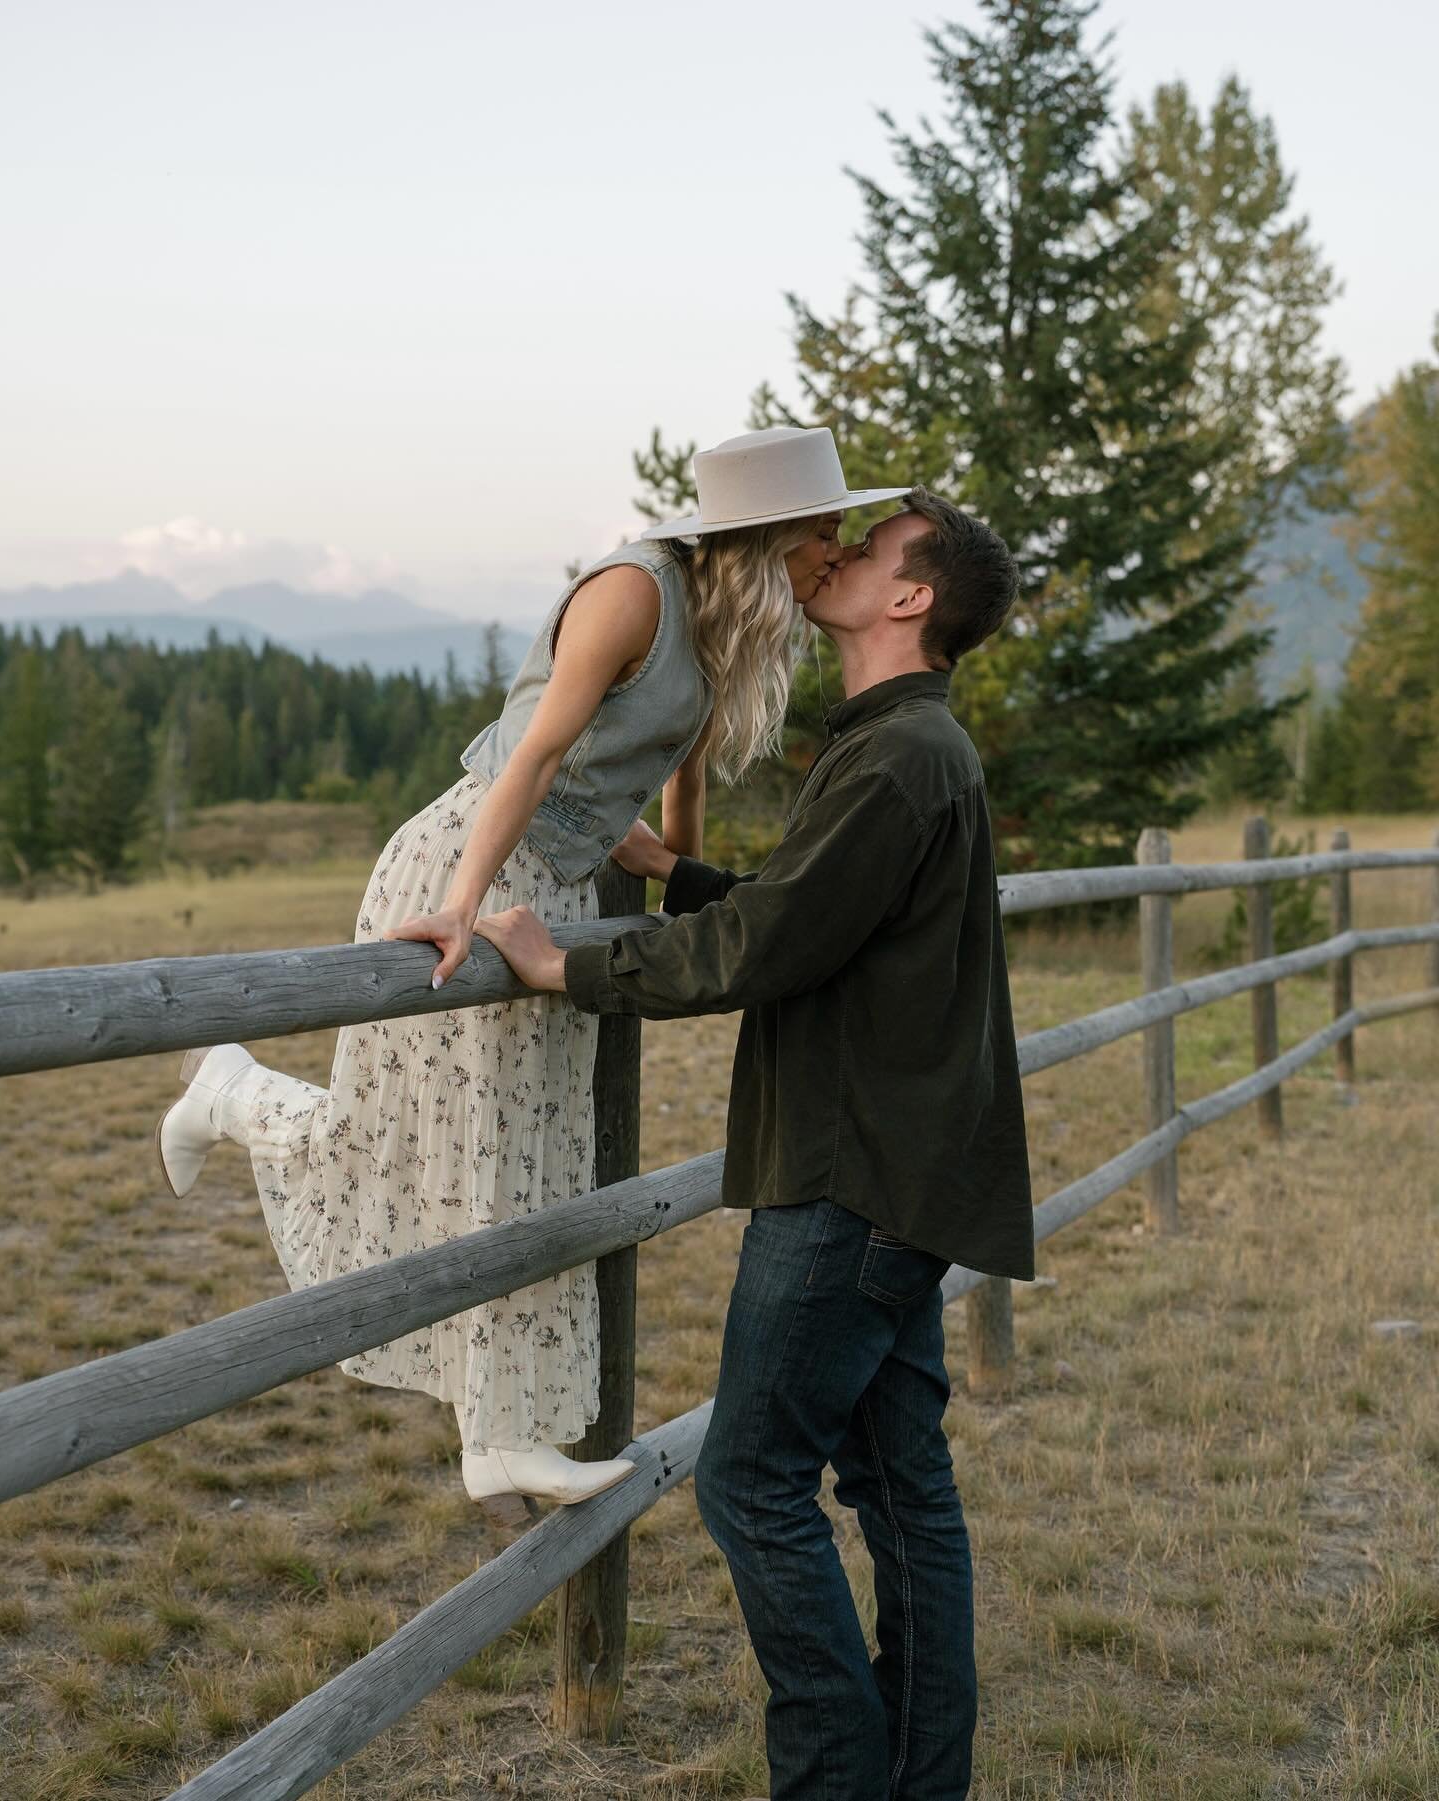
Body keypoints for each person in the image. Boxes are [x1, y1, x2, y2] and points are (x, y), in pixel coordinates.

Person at [153, 426, 911, 1517]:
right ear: (765, 535)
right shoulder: (634, 594)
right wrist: (461, 903)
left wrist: (667, 882)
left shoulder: (725, 622)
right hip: (470, 862)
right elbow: (537, 755)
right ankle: (231, 1093)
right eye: (823, 530)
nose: (834, 551)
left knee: (536, 1154)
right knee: (412, 1142)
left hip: (560, 891)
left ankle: (500, 1431)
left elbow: (677, 770)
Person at [475, 487, 1034, 1798]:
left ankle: (836, 1776)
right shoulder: (904, 748)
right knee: (904, 1495)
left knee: (750, 1482)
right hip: (898, 1177)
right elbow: (808, 911)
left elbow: (767, 947)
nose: (829, 556)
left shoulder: (899, 759)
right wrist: (671, 872)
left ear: (911, 599)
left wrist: (568, 969)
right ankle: (919, 1776)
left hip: (847, 1186)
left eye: (868, 548)